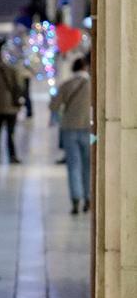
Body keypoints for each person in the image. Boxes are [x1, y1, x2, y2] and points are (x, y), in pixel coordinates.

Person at [52, 56, 92, 215]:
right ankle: (88, 197)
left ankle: (76, 199)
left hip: (69, 129)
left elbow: (53, 105)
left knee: (73, 165)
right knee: (88, 164)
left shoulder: (66, 85)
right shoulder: (93, 86)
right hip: (90, 131)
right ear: (86, 68)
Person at [0, 45, 24, 165]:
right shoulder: (13, 70)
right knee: (10, 132)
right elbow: (20, 86)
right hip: (12, 105)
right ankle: (12, 155)